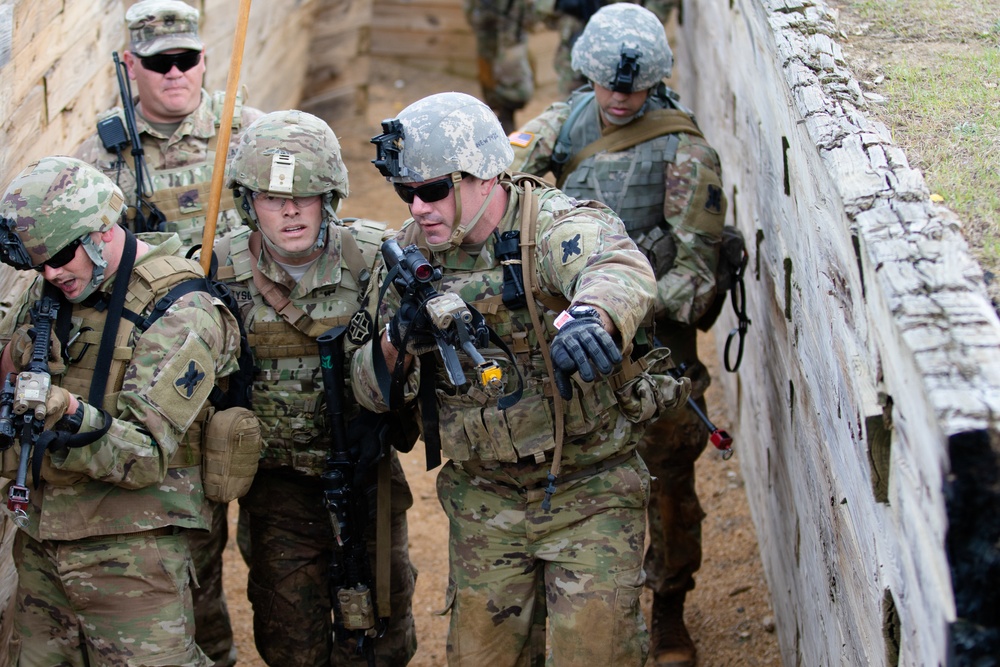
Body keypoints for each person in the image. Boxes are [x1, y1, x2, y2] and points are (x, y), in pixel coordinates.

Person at [357, 91, 684, 666]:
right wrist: (397, 341)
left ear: (484, 177)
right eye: (405, 192)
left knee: (598, 655)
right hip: (484, 499)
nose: (417, 207)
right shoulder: (408, 259)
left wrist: (594, 317)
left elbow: (618, 266)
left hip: (589, 490)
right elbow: (367, 389)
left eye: (433, 190)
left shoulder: (548, 228)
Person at [509, 5, 728, 666]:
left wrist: (622, 305)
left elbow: (696, 274)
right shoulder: (566, 120)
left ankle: (668, 605)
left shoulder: (687, 153)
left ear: (653, 82)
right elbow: (506, 172)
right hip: (575, 345)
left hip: (654, 351)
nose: (618, 98)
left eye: (630, 89)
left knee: (667, 484)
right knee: (570, 477)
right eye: (607, 85)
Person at [75, 3, 264, 663]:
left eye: (188, 58)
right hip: (173, 386)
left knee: (282, 535)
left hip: (261, 368)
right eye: (160, 62)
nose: (177, 72)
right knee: (191, 549)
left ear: (205, 60)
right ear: (132, 66)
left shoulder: (249, 134)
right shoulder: (105, 157)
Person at [0, 156, 242, 666]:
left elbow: (147, 456)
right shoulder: (51, 290)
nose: (50, 271)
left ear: (102, 232)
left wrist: (65, 411)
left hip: (130, 554)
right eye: (36, 260)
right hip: (43, 541)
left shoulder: (180, 310)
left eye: (62, 254)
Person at [222, 110, 418, 666]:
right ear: (246, 201)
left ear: (329, 197)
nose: (290, 210)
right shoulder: (218, 268)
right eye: (272, 197)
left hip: (366, 477)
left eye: (306, 195)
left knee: (384, 631)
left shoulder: (375, 258)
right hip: (277, 490)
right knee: (290, 639)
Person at [464, 0, 538, 133]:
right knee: (488, 61)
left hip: (511, 19)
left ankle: (507, 110)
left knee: (511, 61)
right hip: (486, 16)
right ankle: (500, 111)